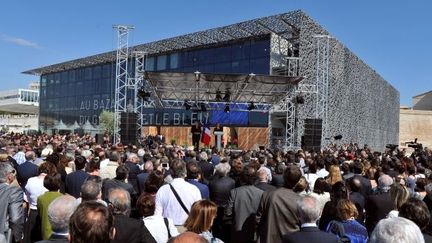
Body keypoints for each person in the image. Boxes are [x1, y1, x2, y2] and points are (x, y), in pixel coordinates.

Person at [256, 165, 302, 243]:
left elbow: (258, 219)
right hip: (290, 239)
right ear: (298, 181)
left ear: (283, 177)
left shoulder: (268, 194)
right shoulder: (300, 200)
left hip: (269, 238)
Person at [155, 159, 201, 226]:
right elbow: (198, 213)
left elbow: (157, 215)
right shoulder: (194, 189)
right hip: (187, 229)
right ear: (185, 172)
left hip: (168, 229)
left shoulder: (162, 190)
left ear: (171, 172)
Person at [225, 166, 264, 242]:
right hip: (254, 232)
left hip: (238, 232)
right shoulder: (262, 193)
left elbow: (228, 212)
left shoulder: (234, 192)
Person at [0, 162, 24, 243]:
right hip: (3, 235)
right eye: (13, 174)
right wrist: (18, 238)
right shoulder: (14, 191)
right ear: (9, 175)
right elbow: (15, 218)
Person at [37, 173, 63, 240]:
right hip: (60, 234)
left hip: (46, 233)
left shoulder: (41, 198)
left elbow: (40, 215)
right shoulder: (63, 198)